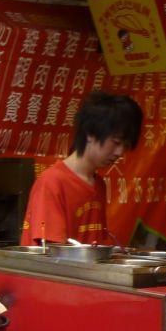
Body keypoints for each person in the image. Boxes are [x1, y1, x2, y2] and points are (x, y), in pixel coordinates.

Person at [21, 91, 143, 245]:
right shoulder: (52, 182)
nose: (119, 152)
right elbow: (53, 251)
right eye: (116, 142)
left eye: (125, 146)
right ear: (90, 133)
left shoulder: (98, 185)